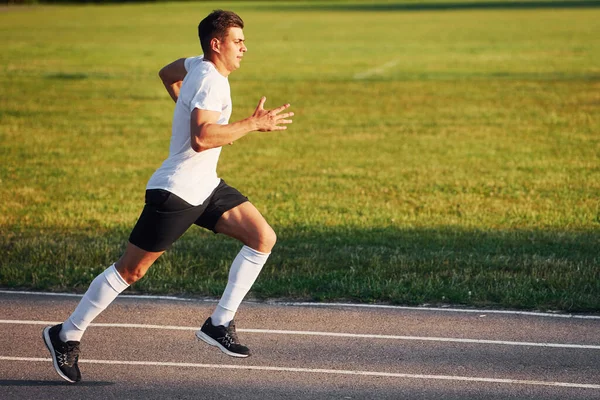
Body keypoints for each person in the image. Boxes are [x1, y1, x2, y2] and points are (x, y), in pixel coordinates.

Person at [42, 9, 293, 384]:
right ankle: (65, 335)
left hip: (205, 185)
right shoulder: (211, 81)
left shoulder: (198, 66)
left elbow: (166, 73)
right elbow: (203, 137)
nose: (244, 48)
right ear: (216, 44)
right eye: (237, 41)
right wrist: (253, 124)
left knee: (262, 238)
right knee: (131, 270)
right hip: (176, 192)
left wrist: (183, 105)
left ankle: (219, 322)